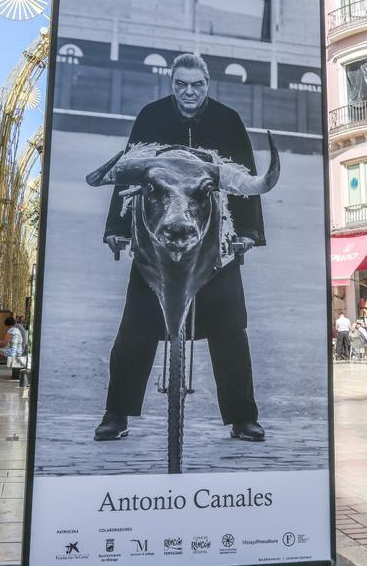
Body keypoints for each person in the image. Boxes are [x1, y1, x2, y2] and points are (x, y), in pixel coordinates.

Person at [94, 53, 267, 443]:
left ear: (207, 84)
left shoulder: (228, 120)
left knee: (232, 331)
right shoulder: (151, 116)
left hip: (216, 245)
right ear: (172, 84)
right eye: (181, 85)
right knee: (134, 330)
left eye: (197, 85)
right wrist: (117, 227)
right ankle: (115, 414)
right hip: (155, 245)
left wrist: (249, 233)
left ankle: (243, 417)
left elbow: (245, 177)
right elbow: (128, 172)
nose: (189, 93)